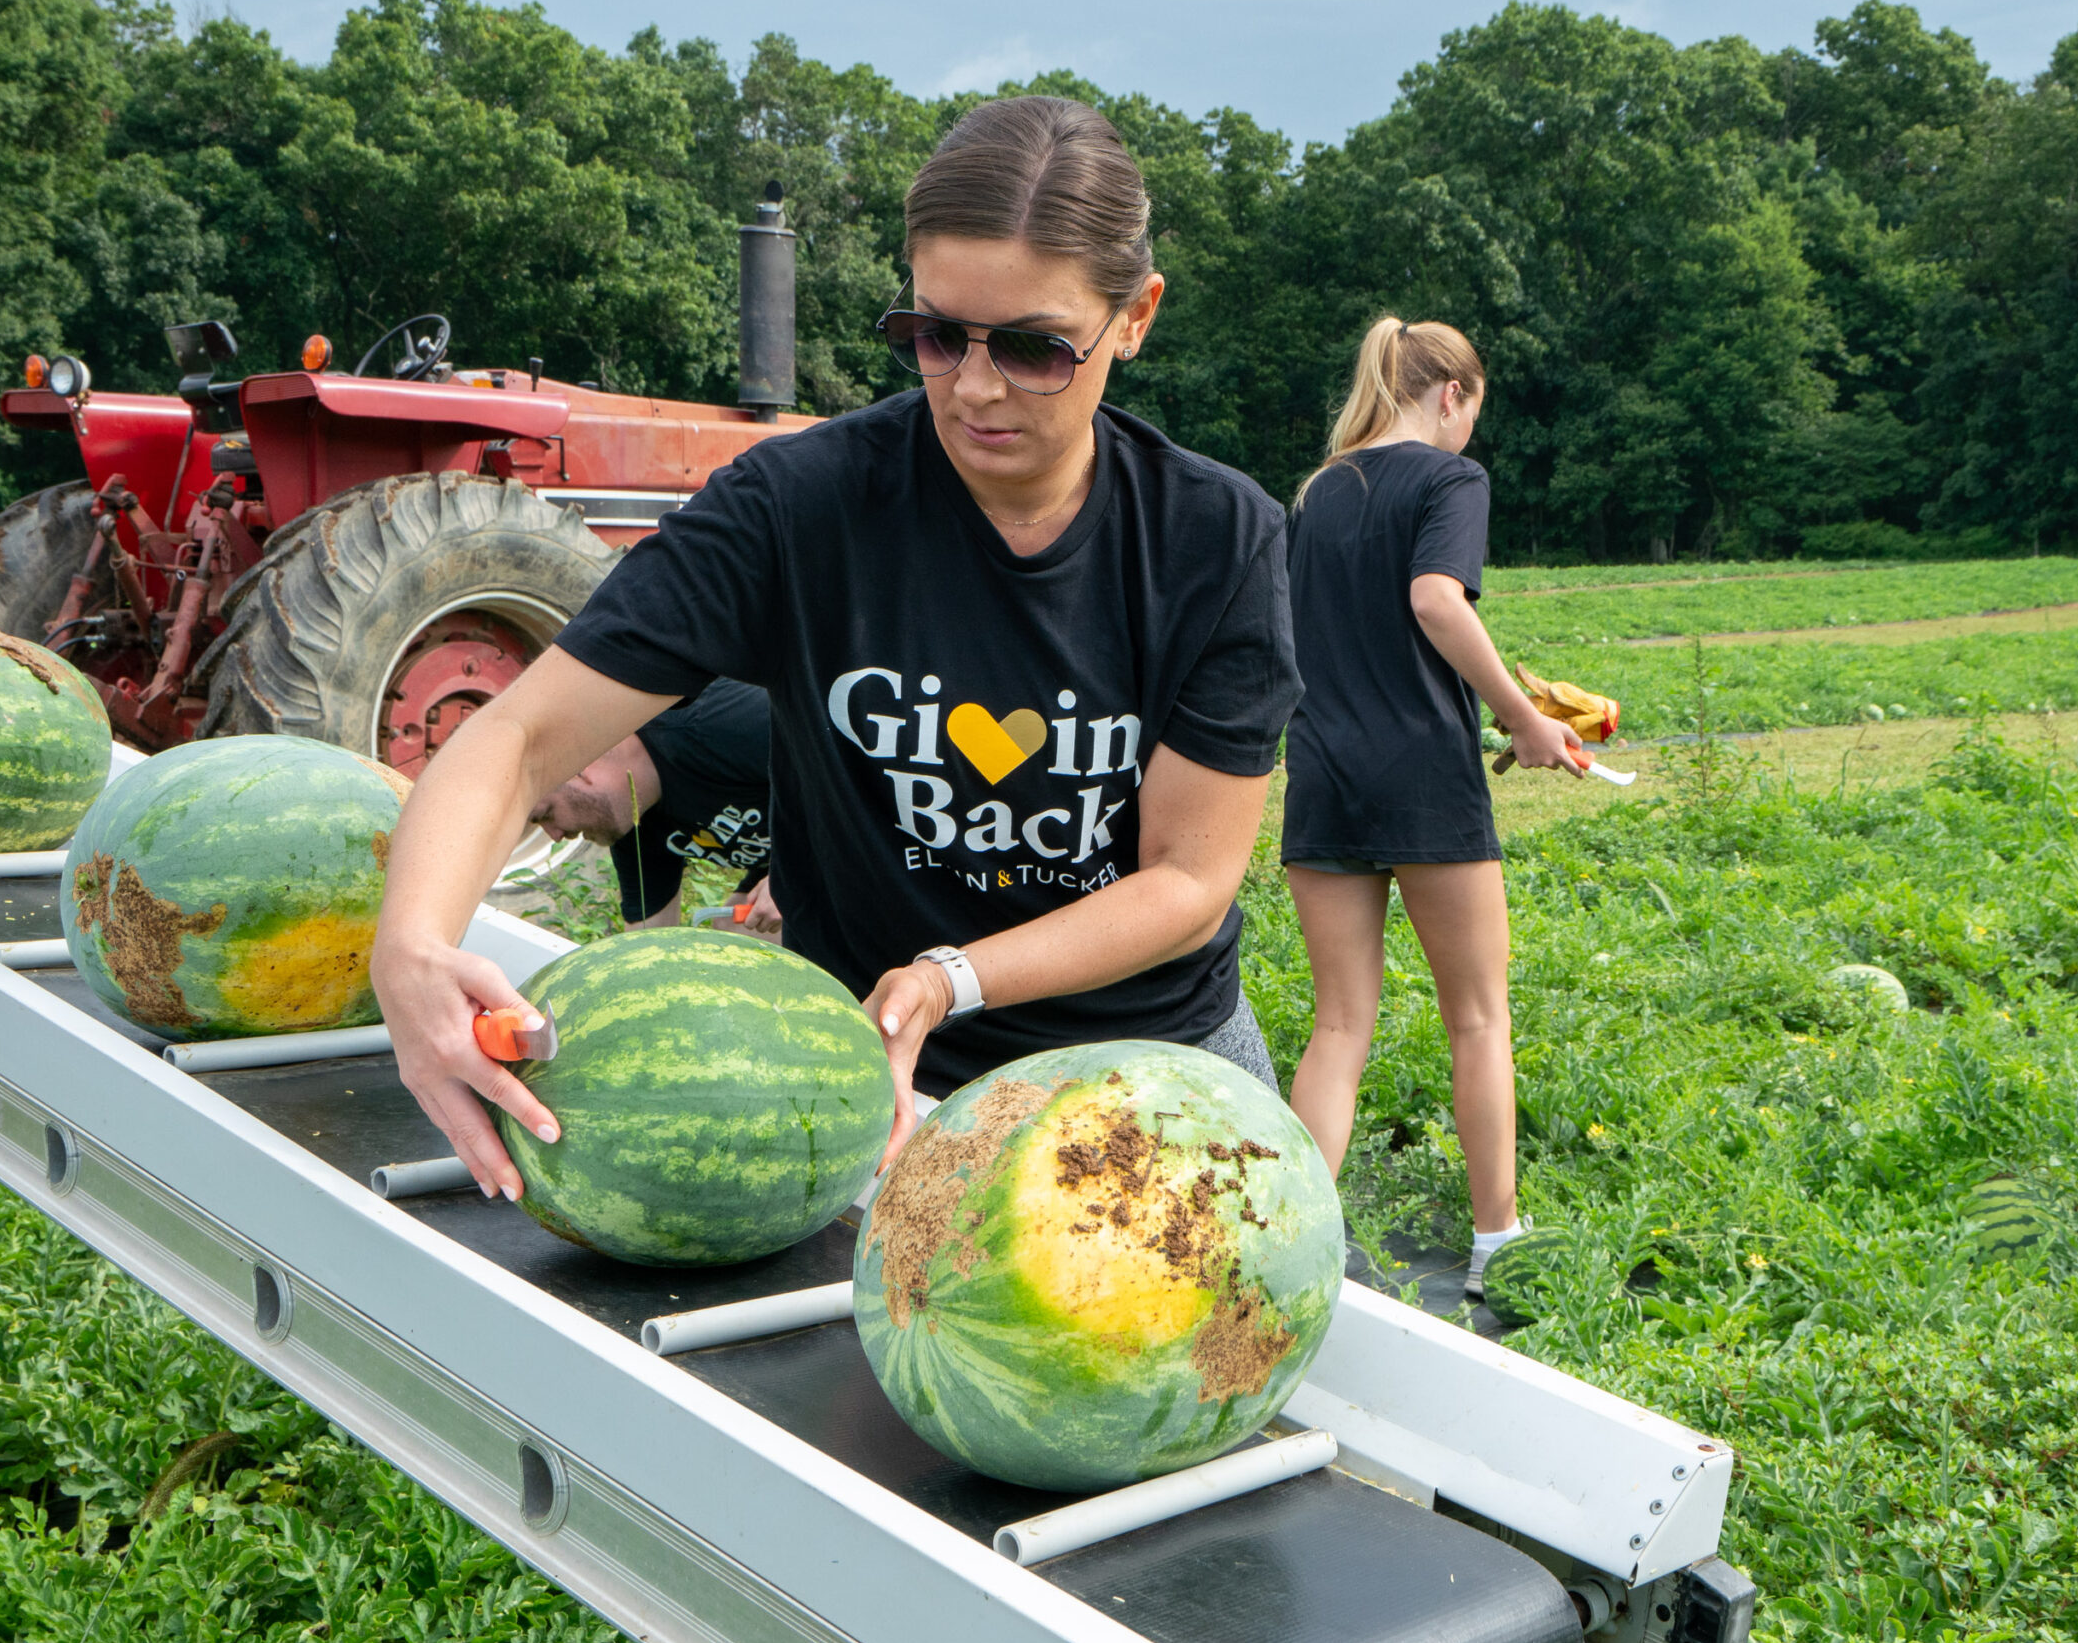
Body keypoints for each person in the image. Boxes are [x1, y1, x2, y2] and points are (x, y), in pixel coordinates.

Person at [370, 95, 1301, 1202]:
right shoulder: (800, 506)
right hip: (868, 1072)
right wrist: (412, 946)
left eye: (1036, 348)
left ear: (1135, 316)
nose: (975, 385)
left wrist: (957, 976)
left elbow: (1188, 880)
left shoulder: (1216, 539)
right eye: (936, 335)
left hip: (1149, 1066)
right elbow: (520, 737)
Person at [1278, 317, 1584, 1298]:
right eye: (1471, 411)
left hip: (1322, 765)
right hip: (1422, 772)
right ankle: (1498, 1238)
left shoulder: (1320, 490)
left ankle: (1292, 1242)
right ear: (1450, 394)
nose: (1468, 431)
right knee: (1479, 1019)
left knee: (1338, 1025)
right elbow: (1435, 603)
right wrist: (1525, 719)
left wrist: (1503, 692)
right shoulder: (1451, 480)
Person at [527, 678, 780, 935]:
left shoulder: (723, 722)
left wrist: (799, 878)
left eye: (547, 815)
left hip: (821, 834)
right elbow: (648, 936)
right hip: (790, 855)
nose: (555, 836)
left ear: (579, 768)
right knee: (740, 930)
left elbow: (823, 747)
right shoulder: (633, 821)